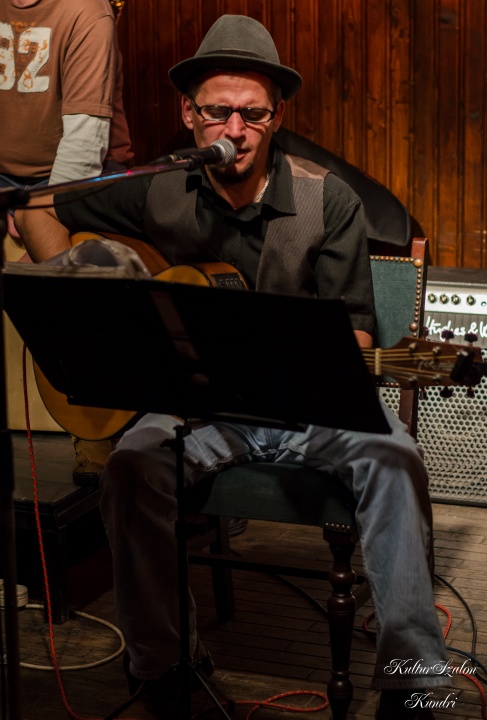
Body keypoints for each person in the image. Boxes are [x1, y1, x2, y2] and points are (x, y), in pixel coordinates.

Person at [16, 14, 450, 719]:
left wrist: (326, 360)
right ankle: (164, 666)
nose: (235, 129)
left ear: (277, 118)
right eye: (218, 111)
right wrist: (84, 278)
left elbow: (358, 333)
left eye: (254, 114)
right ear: (189, 115)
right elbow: (36, 205)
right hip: (200, 407)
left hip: (310, 405)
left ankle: (412, 677)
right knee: (130, 468)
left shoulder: (326, 200)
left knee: (394, 458)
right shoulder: (155, 188)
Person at [0, 0, 133, 482]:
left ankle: (93, 424)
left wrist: (36, 207)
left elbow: (83, 146)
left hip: (76, 173)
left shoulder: (86, 12)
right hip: (4, 174)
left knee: (71, 287)